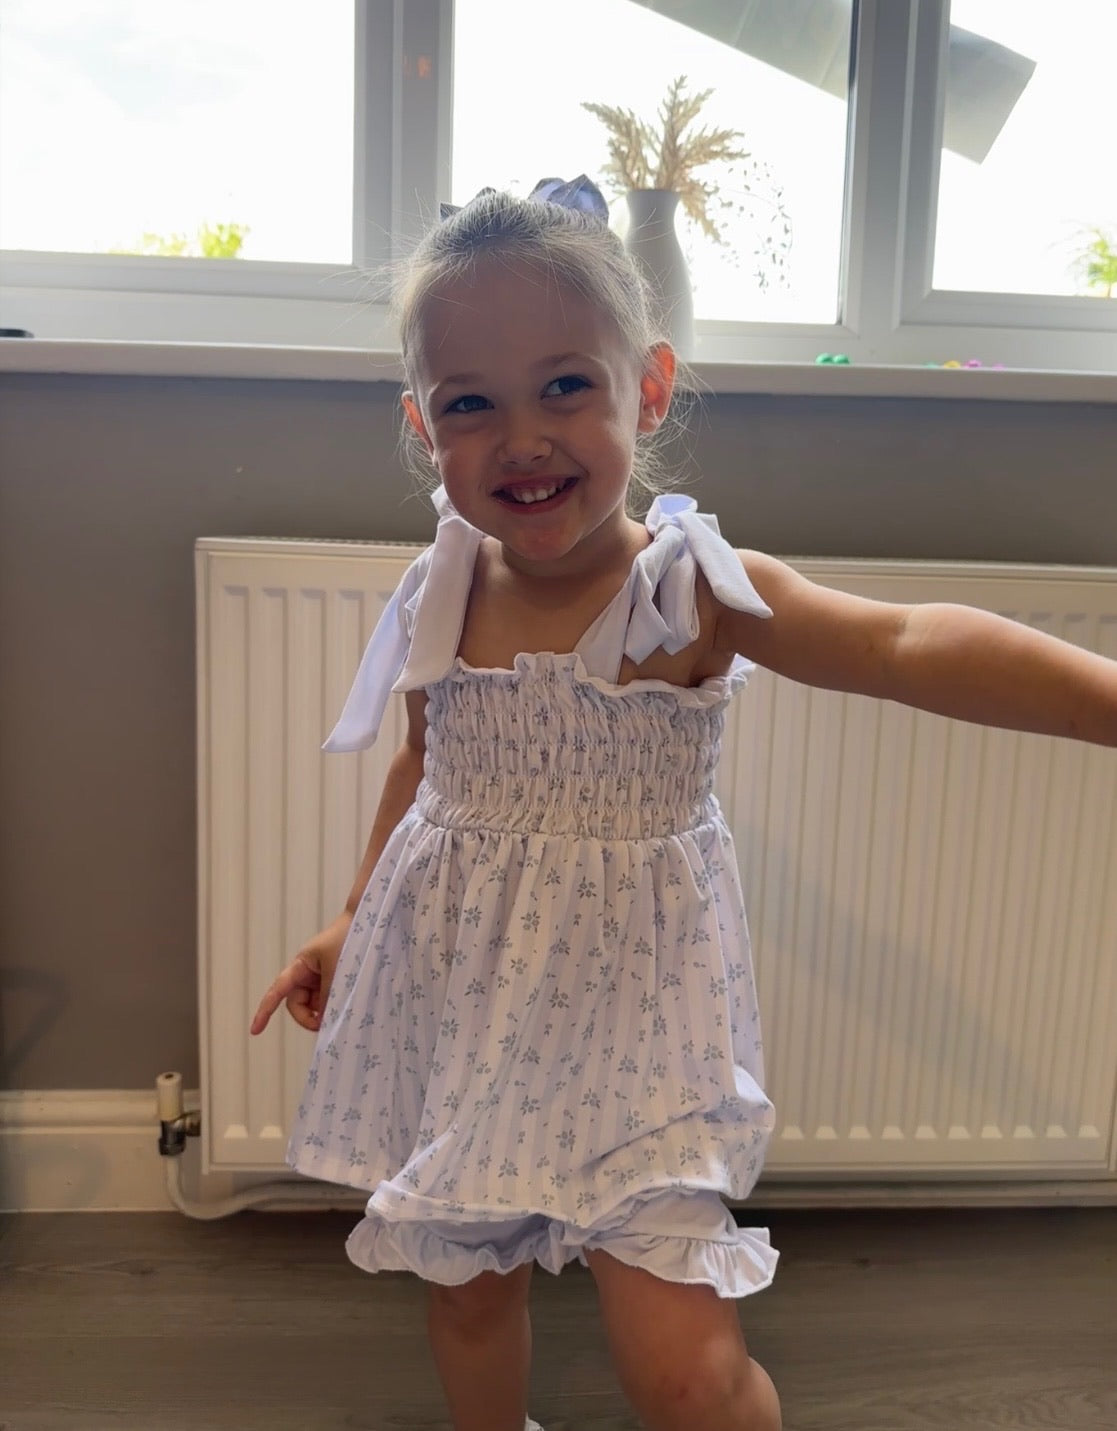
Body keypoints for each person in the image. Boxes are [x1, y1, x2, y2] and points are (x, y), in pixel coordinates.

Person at [250, 176, 1117, 1431]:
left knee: (685, 1372)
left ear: (646, 387)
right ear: (421, 427)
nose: (523, 435)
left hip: (643, 1033)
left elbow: (901, 642)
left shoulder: (690, 592)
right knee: (467, 1299)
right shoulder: (438, 589)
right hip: (464, 1006)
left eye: (565, 386)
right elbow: (422, 765)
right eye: (470, 405)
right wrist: (346, 918)